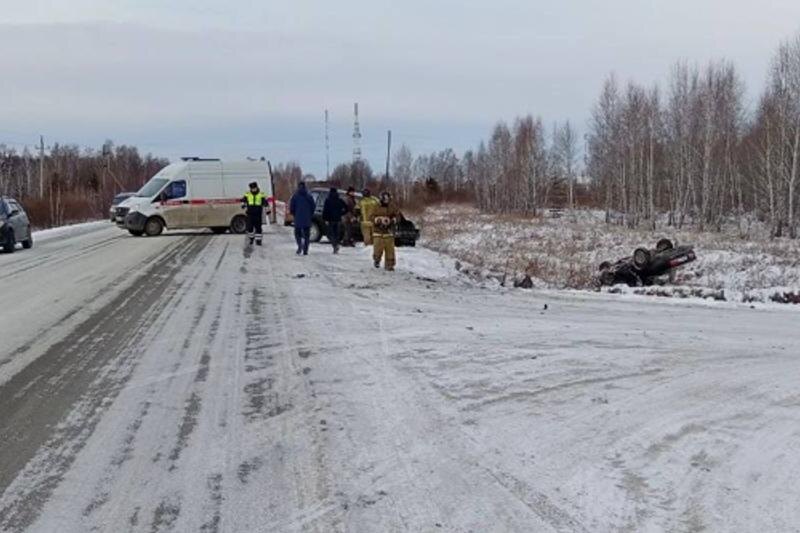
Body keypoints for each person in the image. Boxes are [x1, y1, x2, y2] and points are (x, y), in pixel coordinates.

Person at [371, 191, 402, 271]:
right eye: (385, 199)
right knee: (377, 249)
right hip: (378, 232)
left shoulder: (392, 207)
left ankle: (389, 265)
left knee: (390, 250)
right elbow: (370, 217)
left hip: (389, 231)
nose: (386, 201)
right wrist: (378, 220)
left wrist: (392, 220)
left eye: (388, 199)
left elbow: (398, 216)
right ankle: (377, 260)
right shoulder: (375, 206)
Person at [289, 182, 316, 255]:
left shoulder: (295, 197)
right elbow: (313, 207)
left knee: (297, 233)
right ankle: (305, 250)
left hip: (298, 218)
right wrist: (310, 214)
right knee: (307, 235)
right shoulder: (309, 196)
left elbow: (292, 208)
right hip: (307, 218)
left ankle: (300, 245)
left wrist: (294, 214)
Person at [322, 187, 348, 253]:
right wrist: (341, 213)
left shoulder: (327, 200)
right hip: (338, 219)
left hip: (330, 219)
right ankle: (337, 244)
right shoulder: (339, 200)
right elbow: (346, 208)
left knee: (330, 234)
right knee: (337, 233)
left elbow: (325, 210)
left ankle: (334, 245)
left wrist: (325, 219)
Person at [241, 181, 267, 246]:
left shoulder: (261, 194)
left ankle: (258, 241)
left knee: (258, 228)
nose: (253, 189)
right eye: (252, 188)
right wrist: (243, 204)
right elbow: (244, 200)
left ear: (257, 187)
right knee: (250, 228)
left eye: (254, 188)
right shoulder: (248, 194)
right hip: (250, 213)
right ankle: (251, 238)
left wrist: (267, 209)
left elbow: (265, 202)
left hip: (258, 213)